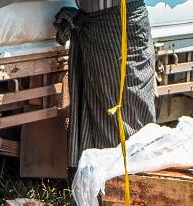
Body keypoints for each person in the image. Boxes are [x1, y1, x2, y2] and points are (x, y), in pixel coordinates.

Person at [55, 0, 157, 171]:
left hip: (123, 27)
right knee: (99, 106)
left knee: (127, 107)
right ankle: (103, 174)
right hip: (99, 28)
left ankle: (127, 173)